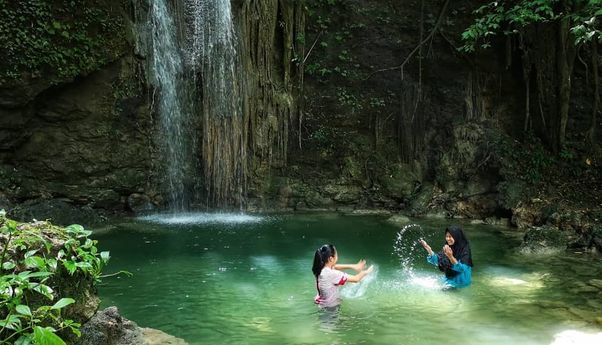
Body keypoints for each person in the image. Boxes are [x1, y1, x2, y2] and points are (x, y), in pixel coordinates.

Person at [312, 244, 374, 308]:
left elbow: (334, 266)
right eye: (336, 254)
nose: (337, 256)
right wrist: (366, 272)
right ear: (331, 258)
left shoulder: (320, 269)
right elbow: (356, 279)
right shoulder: (333, 274)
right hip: (331, 309)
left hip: (322, 305)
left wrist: (354, 266)